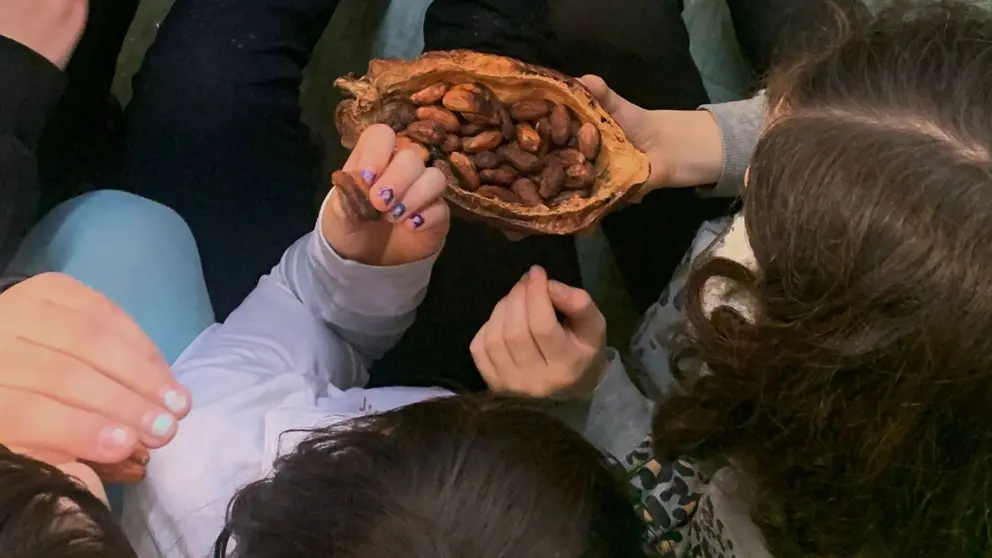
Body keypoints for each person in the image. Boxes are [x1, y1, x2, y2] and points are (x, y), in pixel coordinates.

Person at [482, 2, 992, 556]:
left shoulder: (796, 515)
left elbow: (683, 534)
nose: (745, 184)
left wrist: (591, 400)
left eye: (763, 194)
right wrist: (691, 140)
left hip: (680, 417)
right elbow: (868, 128)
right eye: (769, 148)